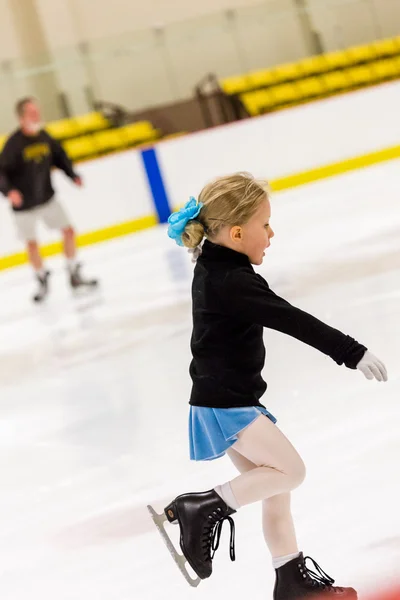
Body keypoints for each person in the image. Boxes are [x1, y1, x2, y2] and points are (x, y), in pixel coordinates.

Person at [148, 173, 388, 599]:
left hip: (224, 398)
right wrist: (351, 351)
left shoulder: (217, 265)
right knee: (290, 472)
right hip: (226, 402)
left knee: (276, 485)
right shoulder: (232, 281)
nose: (272, 234)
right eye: (266, 225)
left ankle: (290, 578)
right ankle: (200, 506)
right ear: (237, 232)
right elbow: (292, 319)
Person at [0, 97, 98, 302]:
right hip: (24, 205)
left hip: (47, 197)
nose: (37, 116)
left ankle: (73, 272)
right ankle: (41, 278)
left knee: (68, 231)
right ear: (21, 117)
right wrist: (9, 191)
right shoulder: (13, 145)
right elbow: (1, 172)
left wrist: (73, 175)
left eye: (37, 112)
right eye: (32, 113)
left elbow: (60, 157)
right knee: (31, 243)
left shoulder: (45, 137)